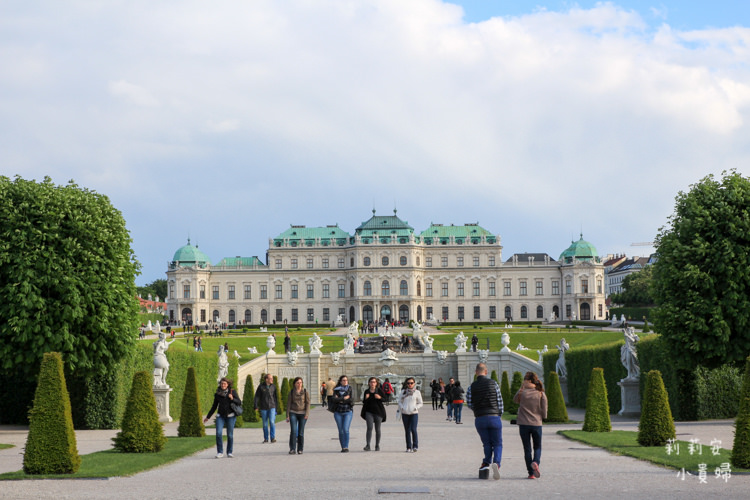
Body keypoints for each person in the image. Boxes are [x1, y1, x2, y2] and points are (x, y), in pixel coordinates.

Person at [467, 362, 503, 480]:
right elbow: (499, 401)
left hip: (480, 417)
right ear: (486, 372)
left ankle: (486, 462)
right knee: (497, 443)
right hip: (494, 416)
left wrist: (477, 410)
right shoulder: (494, 384)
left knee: (487, 443)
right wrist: (498, 414)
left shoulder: (471, 386)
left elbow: (469, 403)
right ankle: (496, 463)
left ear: (476, 372)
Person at [513, 372, 548, 479]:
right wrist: (543, 417)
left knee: (527, 449)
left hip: (523, 424)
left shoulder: (522, 391)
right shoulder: (540, 392)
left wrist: (521, 388)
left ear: (525, 380)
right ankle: (536, 462)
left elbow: (515, 401)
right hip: (536, 423)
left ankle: (531, 473)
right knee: (537, 447)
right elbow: (544, 407)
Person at [204, 377, 241, 458]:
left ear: (228, 385)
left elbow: (239, 402)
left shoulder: (232, 392)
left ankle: (229, 452)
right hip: (220, 416)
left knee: (230, 435)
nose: (223, 385)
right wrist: (208, 417)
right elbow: (214, 406)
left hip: (231, 416)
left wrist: (232, 398)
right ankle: (220, 452)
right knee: (218, 433)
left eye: (224, 384)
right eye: (222, 384)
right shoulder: (218, 394)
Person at [361, 377, 387, 451]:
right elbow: (364, 402)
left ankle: (377, 445)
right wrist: (366, 398)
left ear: (376, 383)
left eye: (374, 382)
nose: (372, 383)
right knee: (369, 428)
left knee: (377, 429)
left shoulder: (379, 391)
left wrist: (380, 398)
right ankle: (368, 445)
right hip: (369, 412)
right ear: (369, 383)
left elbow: (385, 399)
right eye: (371, 382)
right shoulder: (367, 391)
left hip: (378, 412)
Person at [398, 377, 423, 452]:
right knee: (407, 430)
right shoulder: (403, 392)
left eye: (411, 383)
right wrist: (402, 407)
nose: (410, 384)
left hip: (414, 413)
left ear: (414, 383)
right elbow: (399, 401)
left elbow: (420, 403)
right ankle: (408, 447)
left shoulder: (417, 392)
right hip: (405, 413)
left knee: (413, 429)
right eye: (408, 383)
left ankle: (415, 446)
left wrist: (416, 408)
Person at [286, 377, 310, 454]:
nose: (299, 384)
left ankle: (300, 449)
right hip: (293, 412)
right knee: (293, 431)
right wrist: (287, 415)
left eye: (300, 382)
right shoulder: (292, 392)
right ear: (295, 384)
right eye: (298, 383)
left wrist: (307, 414)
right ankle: (292, 448)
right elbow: (289, 404)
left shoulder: (305, 392)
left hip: (302, 413)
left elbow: (308, 403)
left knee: (301, 432)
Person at [330, 375, 354, 452]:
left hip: (348, 411)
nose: (345, 381)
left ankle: (346, 446)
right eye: (344, 380)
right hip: (338, 412)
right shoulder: (336, 390)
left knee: (345, 429)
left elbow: (351, 400)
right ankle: (343, 447)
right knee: (340, 430)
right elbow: (333, 399)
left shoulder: (350, 389)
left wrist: (339, 399)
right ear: (340, 381)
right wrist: (344, 398)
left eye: (346, 380)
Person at [254, 373, 279, 443]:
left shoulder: (273, 386)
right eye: (270, 378)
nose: (272, 380)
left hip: (272, 406)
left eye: (272, 378)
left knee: (272, 421)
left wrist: (276, 408)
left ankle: (273, 437)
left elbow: (275, 398)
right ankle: (266, 438)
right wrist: (255, 405)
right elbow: (257, 396)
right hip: (263, 407)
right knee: (265, 424)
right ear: (266, 379)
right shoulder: (261, 387)